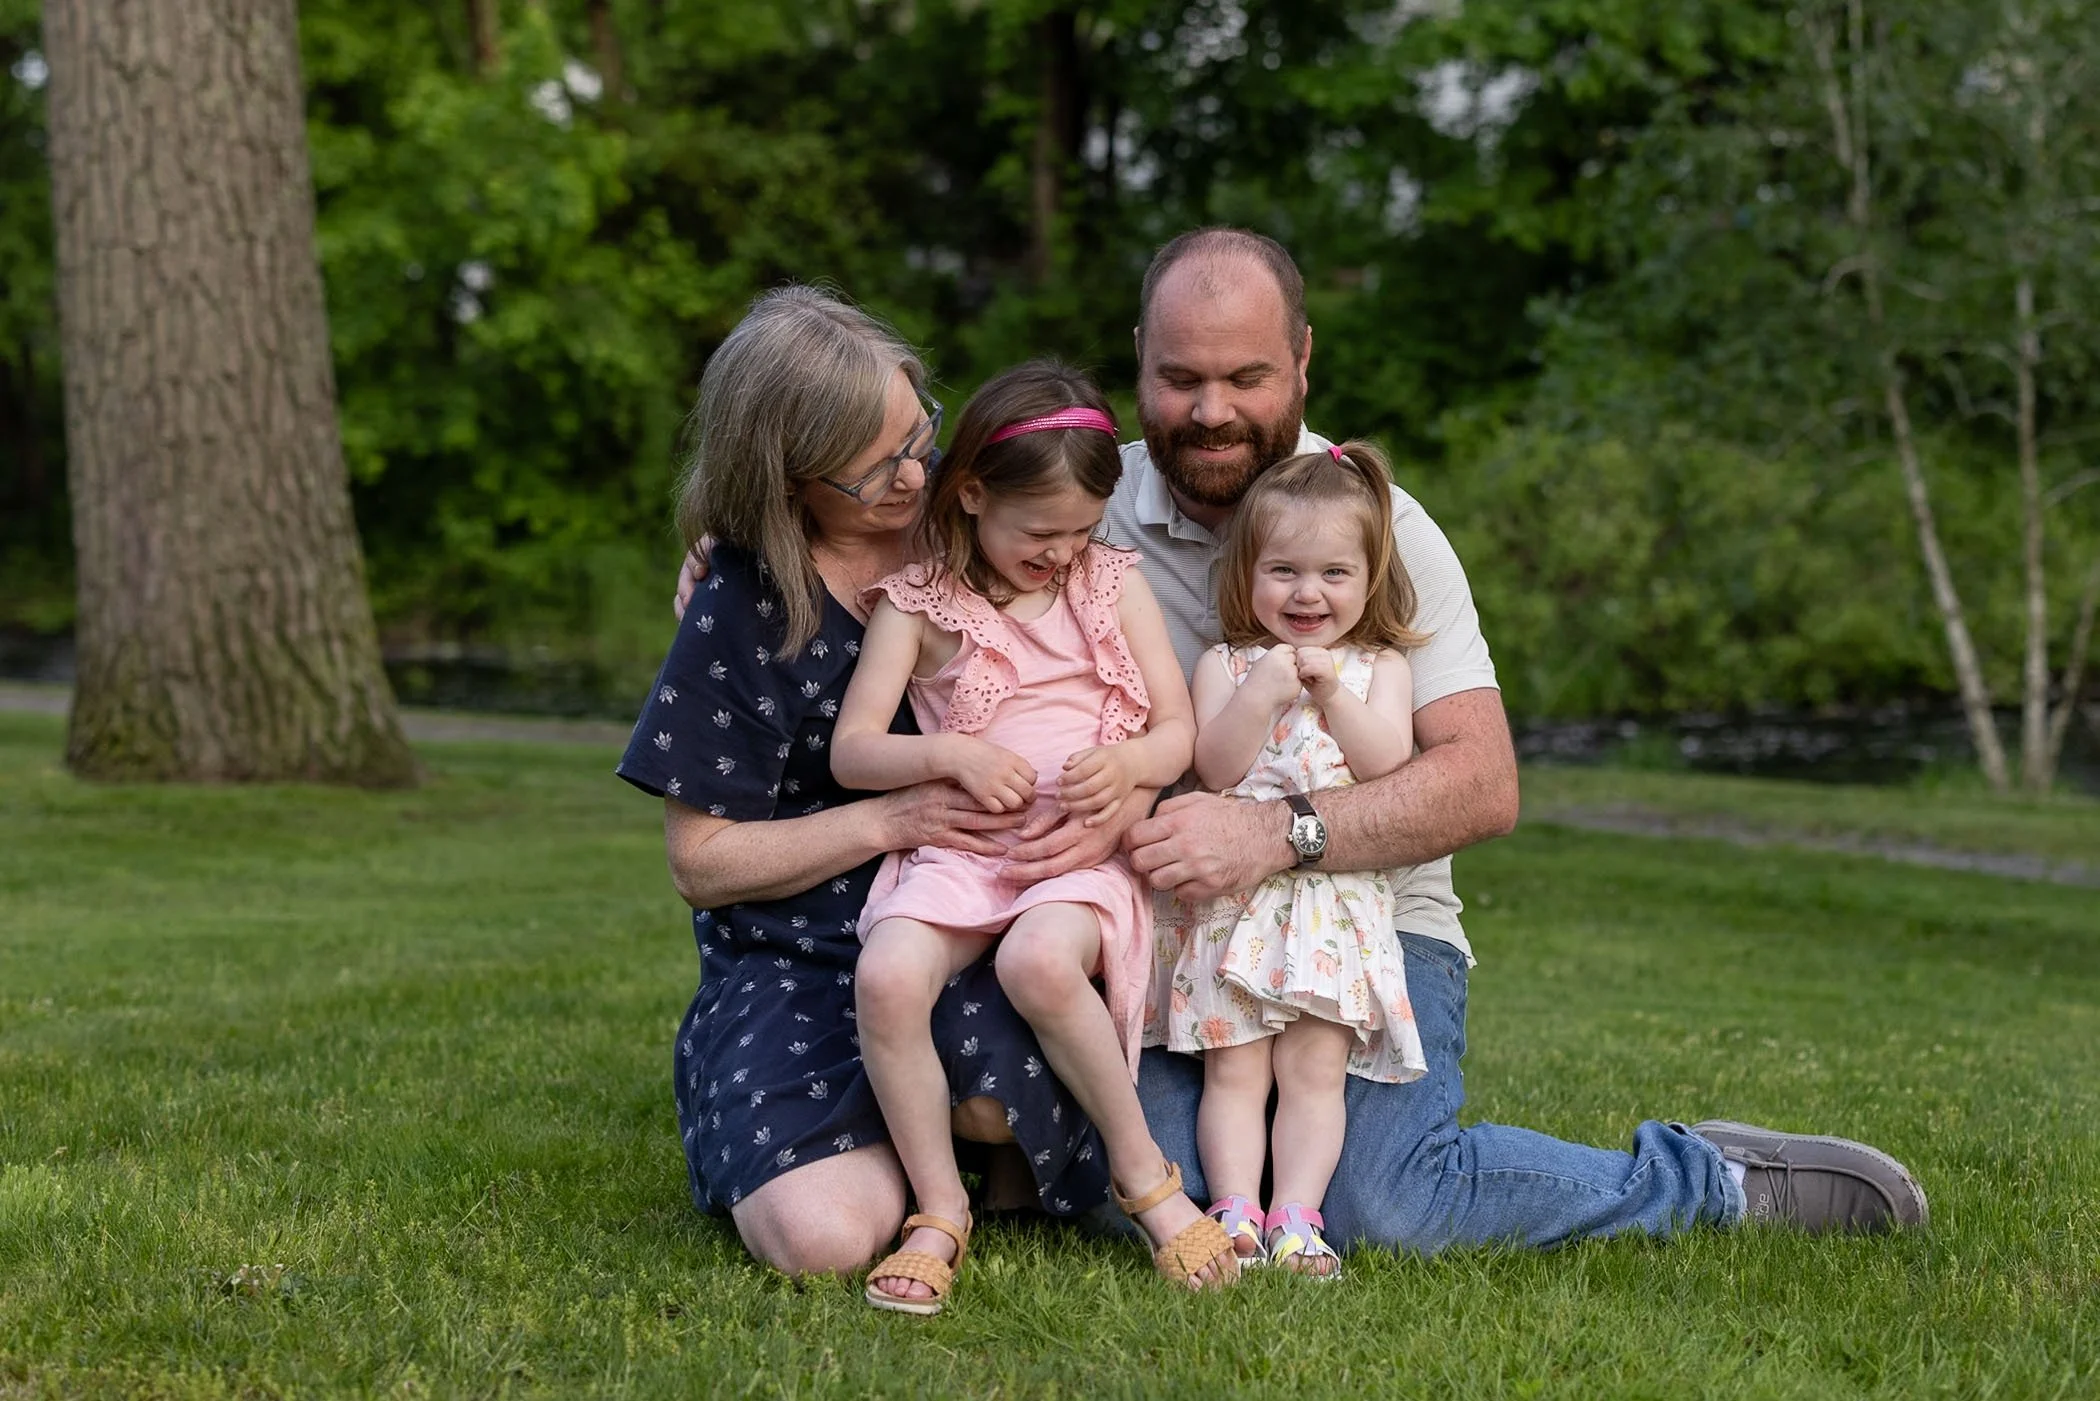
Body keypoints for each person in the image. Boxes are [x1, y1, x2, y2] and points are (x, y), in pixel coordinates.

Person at [674, 230, 1928, 1253]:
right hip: (1172, 929)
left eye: (1247, 378)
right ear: (1139, 367)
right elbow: (877, 487)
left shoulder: (1372, 530)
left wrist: (1272, 833)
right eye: (1179, 379)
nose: (1212, 411)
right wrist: (733, 550)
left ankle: (1706, 1178)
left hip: (1364, 915)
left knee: (1383, 1204)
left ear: (1304, 363)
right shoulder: (1081, 506)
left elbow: (1483, 787)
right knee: (1127, 1175)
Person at [620, 287, 1123, 1280]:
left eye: (918, 432)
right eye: (874, 467)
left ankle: (940, 1138)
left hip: (969, 921)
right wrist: (895, 816)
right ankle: (847, 1136)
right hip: (796, 954)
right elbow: (703, 865)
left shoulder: (969, 519)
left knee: (999, 1099)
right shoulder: (745, 600)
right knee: (822, 1241)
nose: (915, 473)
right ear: (788, 476)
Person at [833, 361, 1237, 1314]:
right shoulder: (918, 604)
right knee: (887, 974)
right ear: (971, 493)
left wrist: (1134, 769)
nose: (1063, 552)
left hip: (1078, 852)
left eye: (1083, 529)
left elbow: (1176, 730)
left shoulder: (1109, 585)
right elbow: (854, 751)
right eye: (1041, 531)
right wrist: (953, 757)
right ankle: (938, 1207)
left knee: (1040, 964)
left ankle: (1147, 1181)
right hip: (966, 848)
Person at [1152, 440, 1432, 1279]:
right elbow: (1216, 766)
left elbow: (1387, 765)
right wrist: (1265, 691)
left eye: (1334, 574)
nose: (1307, 593)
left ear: (1369, 577)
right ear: (1248, 574)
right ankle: (1234, 1205)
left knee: (1314, 1072)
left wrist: (1332, 693)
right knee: (1233, 1069)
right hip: (1238, 909)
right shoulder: (1229, 663)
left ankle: (1298, 1218)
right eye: (1283, 570)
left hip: (1333, 909)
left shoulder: (1380, 667)